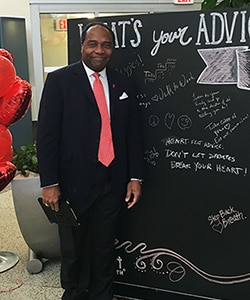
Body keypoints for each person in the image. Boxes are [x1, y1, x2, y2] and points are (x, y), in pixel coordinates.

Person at [36, 22, 144, 300]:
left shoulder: (123, 83)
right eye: (93, 44)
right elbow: (47, 136)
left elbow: (133, 134)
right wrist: (49, 183)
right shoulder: (60, 81)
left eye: (106, 44)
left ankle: (102, 295)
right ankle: (73, 294)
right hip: (71, 185)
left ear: (112, 49)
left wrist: (135, 177)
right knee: (73, 249)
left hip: (112, 181)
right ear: (82, 46)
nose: (100, 50)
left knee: (104, 247)